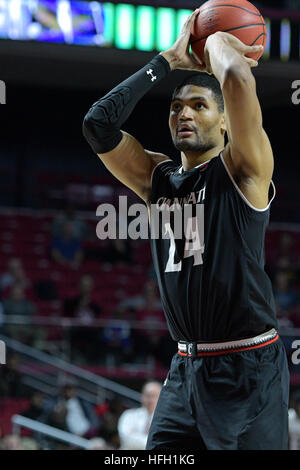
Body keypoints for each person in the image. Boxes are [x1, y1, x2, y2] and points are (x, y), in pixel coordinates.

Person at [82, 10, 289, 450]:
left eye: (199, 105)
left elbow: (236, 78)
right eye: (177, 107)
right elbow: (97, 124)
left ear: (226, 122)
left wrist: (213, 36)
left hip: (248, 367)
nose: (184, 114)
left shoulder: (243, 170)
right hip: (185, 369)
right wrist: (168, 59)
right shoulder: (154, 177)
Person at [117, 381, 162, 450]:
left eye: (154, 395)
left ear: (161, 397)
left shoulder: (165, 419)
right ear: (142, 396)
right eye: (148, 395)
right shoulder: (129, 415)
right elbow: (126, 439)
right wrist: (151, 441)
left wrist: (135, 435)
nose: (151, 400)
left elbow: (163, 442)